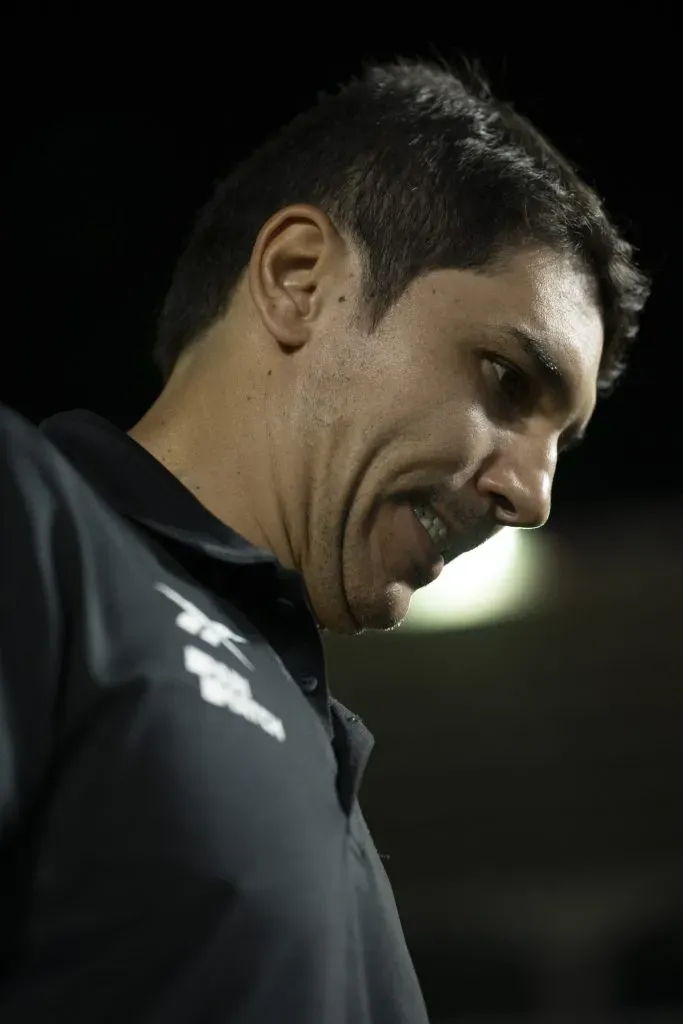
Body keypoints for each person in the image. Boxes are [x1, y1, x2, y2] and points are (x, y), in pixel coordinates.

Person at [0, 57, 649, 1023]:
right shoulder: (36, 527)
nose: (534, 495)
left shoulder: (317, 761)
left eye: (561, 442)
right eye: (507, 381)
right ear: (300, 281)